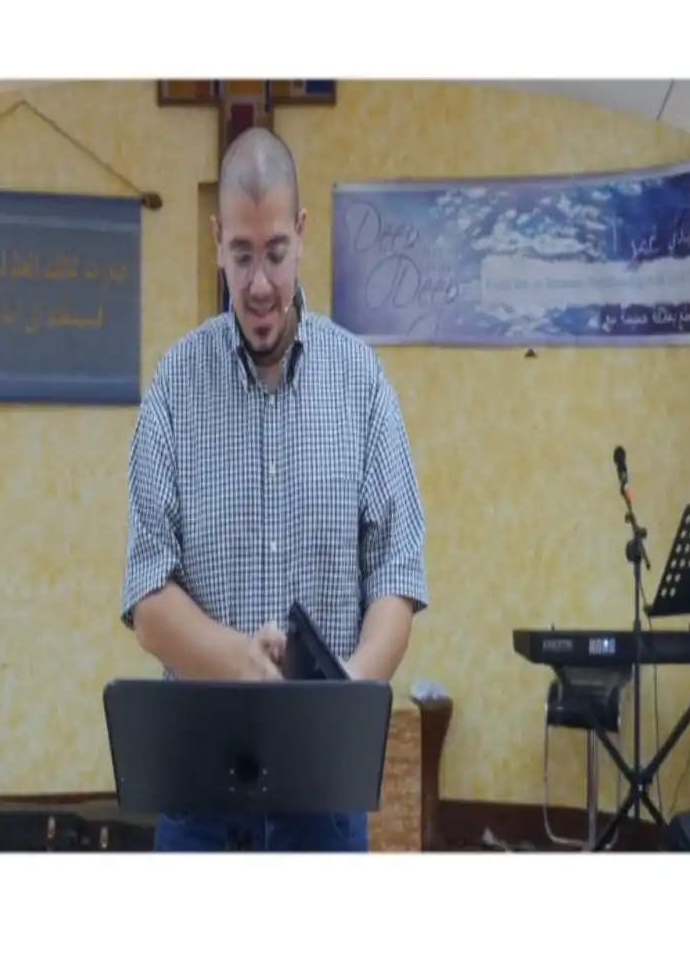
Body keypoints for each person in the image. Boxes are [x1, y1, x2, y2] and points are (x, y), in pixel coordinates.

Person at [120, 126, 428, 852]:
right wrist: (241, 664)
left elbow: (397, 575)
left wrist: (341, 699)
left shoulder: (361, 383)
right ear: (216, 242)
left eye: (276, 253)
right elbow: (147, 597)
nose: (260, 284)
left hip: (324, 802)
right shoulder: (173, 386)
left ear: (302, 233)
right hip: (198, 798)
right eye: (242, 255)